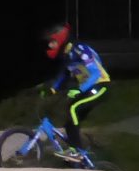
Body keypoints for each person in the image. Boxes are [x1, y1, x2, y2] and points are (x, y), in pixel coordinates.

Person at [42, 22, 109, 162]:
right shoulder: (67, 55)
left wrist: (79, 90)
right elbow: (64, 75)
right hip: (89, 88)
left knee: (73, 108)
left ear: (60, 39)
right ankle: (78, 155)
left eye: (52, 42)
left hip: (101, 86)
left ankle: (77, 151)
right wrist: (52, 89)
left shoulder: (80, 49)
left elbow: (96, 73)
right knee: (69, 119)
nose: (50, 45)